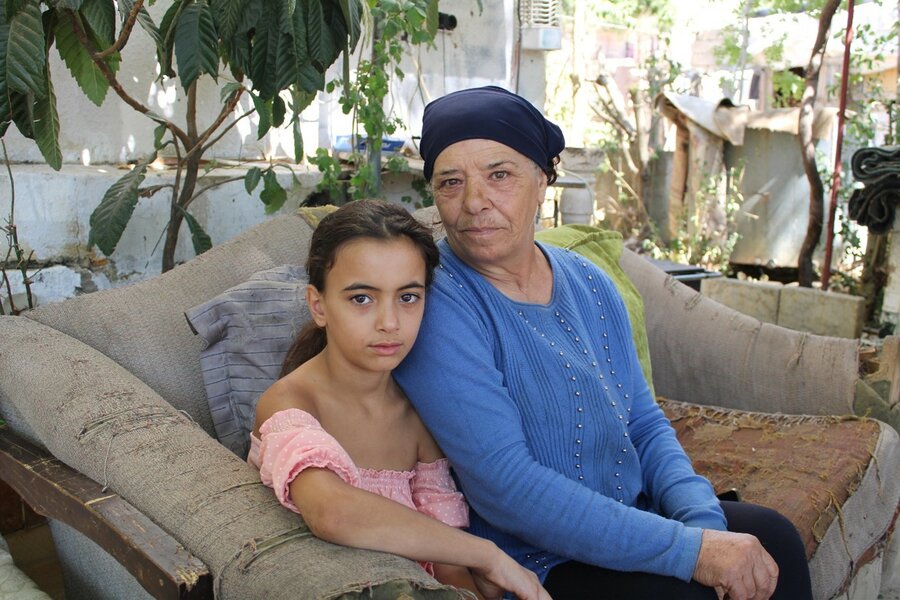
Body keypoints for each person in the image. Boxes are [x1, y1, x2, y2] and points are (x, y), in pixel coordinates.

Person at [393, 86, 814, 600]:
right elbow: (508, 489)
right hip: (533, 557)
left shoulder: (588, 281)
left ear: (543, 177)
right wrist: (692, 551)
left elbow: (642, 422)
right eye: (450, 182)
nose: (474, 202)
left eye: (499, 175)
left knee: (775, 540)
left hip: (626, 513)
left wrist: (705, 524)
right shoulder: (435, 300)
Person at [249, 200, 550, 600]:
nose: (389, 323)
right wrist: (488, 556)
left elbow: (446, 562)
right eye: (362, 299)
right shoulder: (292, 404)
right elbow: (331, 511)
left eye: (408, 297)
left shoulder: (416, 415)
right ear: (318, 305)